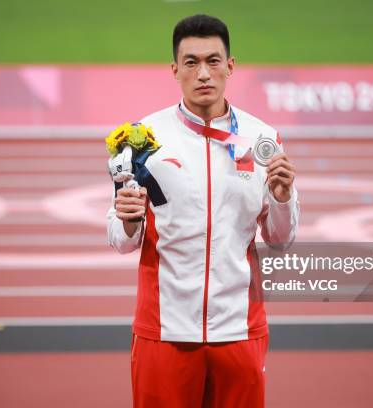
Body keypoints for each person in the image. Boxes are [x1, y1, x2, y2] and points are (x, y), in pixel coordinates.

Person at [106, 14, 299, 408]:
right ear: (175, 70)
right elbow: (122, 241)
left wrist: (282, 197)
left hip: (239, 330)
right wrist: (126, 222)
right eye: (191, 62)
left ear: (231, 66)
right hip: (164, 331)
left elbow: (281, 240)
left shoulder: (262, 139)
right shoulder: (143, 138)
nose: (203, 73)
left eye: (213, 61)